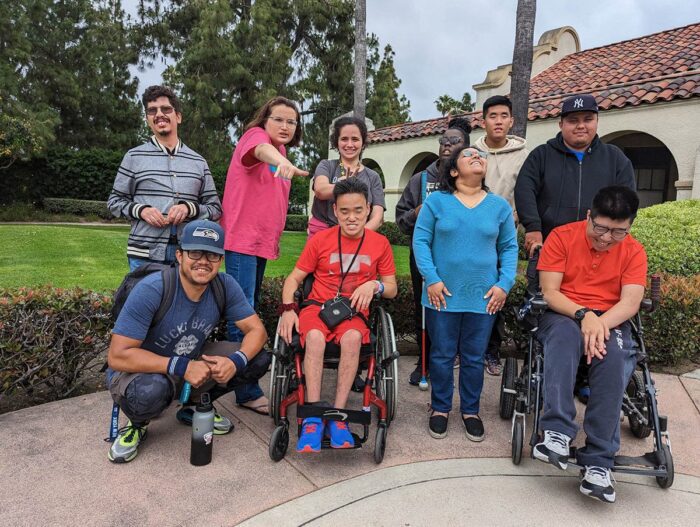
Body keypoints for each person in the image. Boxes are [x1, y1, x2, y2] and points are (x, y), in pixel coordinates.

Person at [106, 220, 269, 463]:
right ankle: (137, 423)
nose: (203, 261)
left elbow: (257, 330)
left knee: (257, 357)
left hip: (191, 360)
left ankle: (194, 406)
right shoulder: (154, 289)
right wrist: (183, 367)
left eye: (212, 255)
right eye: (195, 252)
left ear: (220, 260)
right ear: (180, 255)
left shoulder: (224, 286)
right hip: (141, 371)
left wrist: (236, 361)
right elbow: (118, 355)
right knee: (149, 393)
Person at [514, 93, 636, 402]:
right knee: (551, 315)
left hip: (600, 249)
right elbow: (525, 189)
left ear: (596, 121)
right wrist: (534, 229)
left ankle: (586, 376)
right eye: (573, 120)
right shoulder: (542, 156)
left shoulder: (615, 159)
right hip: (553, 250)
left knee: (596, 312)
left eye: (587, 119)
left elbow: (625, 202)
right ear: (561, 124)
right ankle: (547, 373)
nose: (580, 126)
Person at [533, 186, 647, 504]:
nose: (607, 238)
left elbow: (631, 301)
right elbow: (550, 291)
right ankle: (556, 430)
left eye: (618, 231)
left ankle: (599, 461)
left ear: (630, 226)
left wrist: (599, 323)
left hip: (611, 319)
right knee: (564, 338)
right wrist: (584, 316)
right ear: (589, 216)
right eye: (601, 228)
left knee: (614, 357)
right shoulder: (562, 237)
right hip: (564, 312)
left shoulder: (634, 251)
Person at [278, 178, 397, 452]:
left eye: (358, 210)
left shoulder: (380, 244)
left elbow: (391, 289)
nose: (352, 217)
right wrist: (287, 309)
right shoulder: (320, 240)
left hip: (353, 312)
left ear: (368, 209)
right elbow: (294, 279)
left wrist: (374, 284)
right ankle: (313, 417)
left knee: (354, 338)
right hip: (317, 308)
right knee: (316, 339)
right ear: (334, 212)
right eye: (344, 211)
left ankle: (339, 416)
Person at [413, 146, 518, 442]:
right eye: (469, 155)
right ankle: (441, 408)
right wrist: (431, 278)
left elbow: (509, 248)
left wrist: (504, 284)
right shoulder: (436, 203)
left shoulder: (498, 207)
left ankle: (470, 411)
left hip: (484, 296)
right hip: (440, 294)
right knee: (443, 354)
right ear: (454, 171)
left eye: (481, 156)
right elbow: (421, 241)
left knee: (474, 357)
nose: (477, 157)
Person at [219, 96, 309, 414]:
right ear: (265, 120)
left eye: (291, 121)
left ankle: (236, 377)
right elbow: (260, 151)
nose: (285, 126)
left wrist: (282, 159)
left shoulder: (282, 151)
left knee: (248, 307)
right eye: (279, 119)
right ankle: (244, 388)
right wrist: (279, 161)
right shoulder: (255, 138)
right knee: (241, 314)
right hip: (242, 242)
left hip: (258, 245)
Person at [108, 85, 221, 271]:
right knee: (145, 301)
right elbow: (114, 202)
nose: (159, 114)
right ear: (148, 120)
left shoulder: (198, 162)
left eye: (166, 109)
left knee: (182, 301)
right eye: (152, 111)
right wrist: (141, 210)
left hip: (186, 255)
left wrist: (189, 208)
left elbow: (215, 208)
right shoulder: (133, 157)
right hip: (144, 255)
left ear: (178, 116)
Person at [395, 117, 472, 387]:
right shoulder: (420, 180)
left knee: (455, 310)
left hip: (460, 259)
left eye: (454, 141)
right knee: (424, 311)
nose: (447, 145)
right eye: (443, 141)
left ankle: (450, 358)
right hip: (424, 258)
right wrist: (416, 213)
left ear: (465, 147)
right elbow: (400, 219)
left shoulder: (470, 181)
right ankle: (424, 361)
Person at [474, 95, 529, 376]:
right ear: (483, 121)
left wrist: (512, 221)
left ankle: (491, 351)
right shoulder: (471, 152)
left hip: (503, 235)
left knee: (496, 292)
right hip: (471, 235)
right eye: (492, 116)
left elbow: (524, 194)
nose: (498, 121)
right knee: (469, 290)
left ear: (511, 121)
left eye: (503, 116)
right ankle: (467, 350)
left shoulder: (523, 155)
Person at [308, 116, 385, 237]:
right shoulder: (326, 166)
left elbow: (378, 216)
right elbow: (320, 190)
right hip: (322, 234)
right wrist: (344, 185)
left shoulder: (373, 176)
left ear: (363, 143)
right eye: (344, 139)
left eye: (355, 139)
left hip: (359, 235)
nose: (349, 144)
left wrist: (356, 234)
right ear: (336, 142)